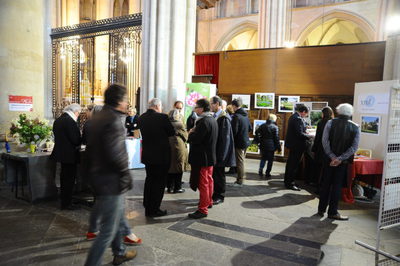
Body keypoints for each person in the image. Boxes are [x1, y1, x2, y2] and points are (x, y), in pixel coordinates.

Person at [84, 84, 136, 266]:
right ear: (119, 101)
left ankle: (119, 252)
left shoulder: (97, 118)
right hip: (111, 180)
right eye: (126, 99)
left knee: (117, 217)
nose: (127, 103)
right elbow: (117, 154)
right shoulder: (113, 120)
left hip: (100, 176)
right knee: (108, 230)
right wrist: (126, 175)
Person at [318, 103, 360, 221]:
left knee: (326, 184)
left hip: (329, 160)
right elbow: (354, 147)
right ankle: (333, 212)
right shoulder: (355, 127)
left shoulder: (330, 123)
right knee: (337, 186)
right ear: (350, 113)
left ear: (338, 111)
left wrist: (332, 157)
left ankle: (321, 210)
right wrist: (340, 159)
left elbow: (324, 141)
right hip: (343, 163)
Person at [138, 98, 175, 217]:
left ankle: (147, 204)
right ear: (158, 106)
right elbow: (171, 132)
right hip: (161, 156)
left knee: (149, 180)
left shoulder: (141, 117)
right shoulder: (162, 117)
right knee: (159, 183)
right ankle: (154, 209)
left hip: (148, 155)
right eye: (161, 107)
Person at [188, 98, 218, 219]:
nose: (195, 109)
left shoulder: (203, 121)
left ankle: (203, 209)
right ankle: (208, 201)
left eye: (196, 107)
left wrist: (190, 133)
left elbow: (196, 139)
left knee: (203, 183)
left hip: (202, 158)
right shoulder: (212, 119)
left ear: (201, 108)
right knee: (209, 181)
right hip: (209, 156)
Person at [51, 103, 82, 210]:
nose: (78, 115)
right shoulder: (70, 122)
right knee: (69, 180)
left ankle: (65, 200)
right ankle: (66, 203)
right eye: (78, 113)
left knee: (64, 178)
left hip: (61, 154)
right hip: (70, 155)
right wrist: (81, 140)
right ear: (75, 112)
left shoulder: (58, 120)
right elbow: (75, 140)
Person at [210, 96, 235, 205]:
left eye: (211, 103)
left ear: (217, 104)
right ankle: (215, 194)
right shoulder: (217, 116)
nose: (210, 106)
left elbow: (225, 139)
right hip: (216, 152)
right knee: (215, 175)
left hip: (220, 153)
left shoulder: (223, 118)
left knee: (219, 175)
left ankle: (220, 195)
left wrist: (222, 156)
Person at [284, 103, 310, 191]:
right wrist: (310, 136)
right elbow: (299, 134)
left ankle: (288, 181)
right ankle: (290, 183)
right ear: (303, 112)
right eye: (306, 114)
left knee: (290, 164)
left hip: (293, 145)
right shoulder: (297, 119)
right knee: (293, 165)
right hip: (297, 145)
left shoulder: (293, 116)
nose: (306, 116)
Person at [311, 106, 334, 188]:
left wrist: (313, 148)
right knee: (326, 169)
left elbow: (317, 137)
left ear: (324, 113)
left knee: (318, 167)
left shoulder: (321, 122)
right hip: (330, 149)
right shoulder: (333, 122)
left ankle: (317, 184)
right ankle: (324, 185)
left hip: (320, 148)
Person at [231, 98, 252, 186]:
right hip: (245, 141)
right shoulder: (245, 115)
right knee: (242, 161)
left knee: (240, 162)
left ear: (234, 106)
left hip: (239, 142)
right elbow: (250, 128)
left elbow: (233, 131)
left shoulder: (236, 116)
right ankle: (240, 179)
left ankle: (240, 180)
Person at [167, 109, 188, 194]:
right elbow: (186, 137)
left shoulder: (167, 123)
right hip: (178, 147)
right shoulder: (180, 124)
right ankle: (177, 187)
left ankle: (169, 187)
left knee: (169, 167)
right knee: (179, 167)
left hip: (168, 146)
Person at [254, 114, 281, 178]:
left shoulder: (262, 125)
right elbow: (276, 138)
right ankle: (267, 173)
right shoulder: (275, 127)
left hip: (263, 144)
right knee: (270, 160)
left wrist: (259, 141)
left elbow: (257, 132)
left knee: (263, 158)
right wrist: (278, 147)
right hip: (271, 146)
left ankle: (260, 170)